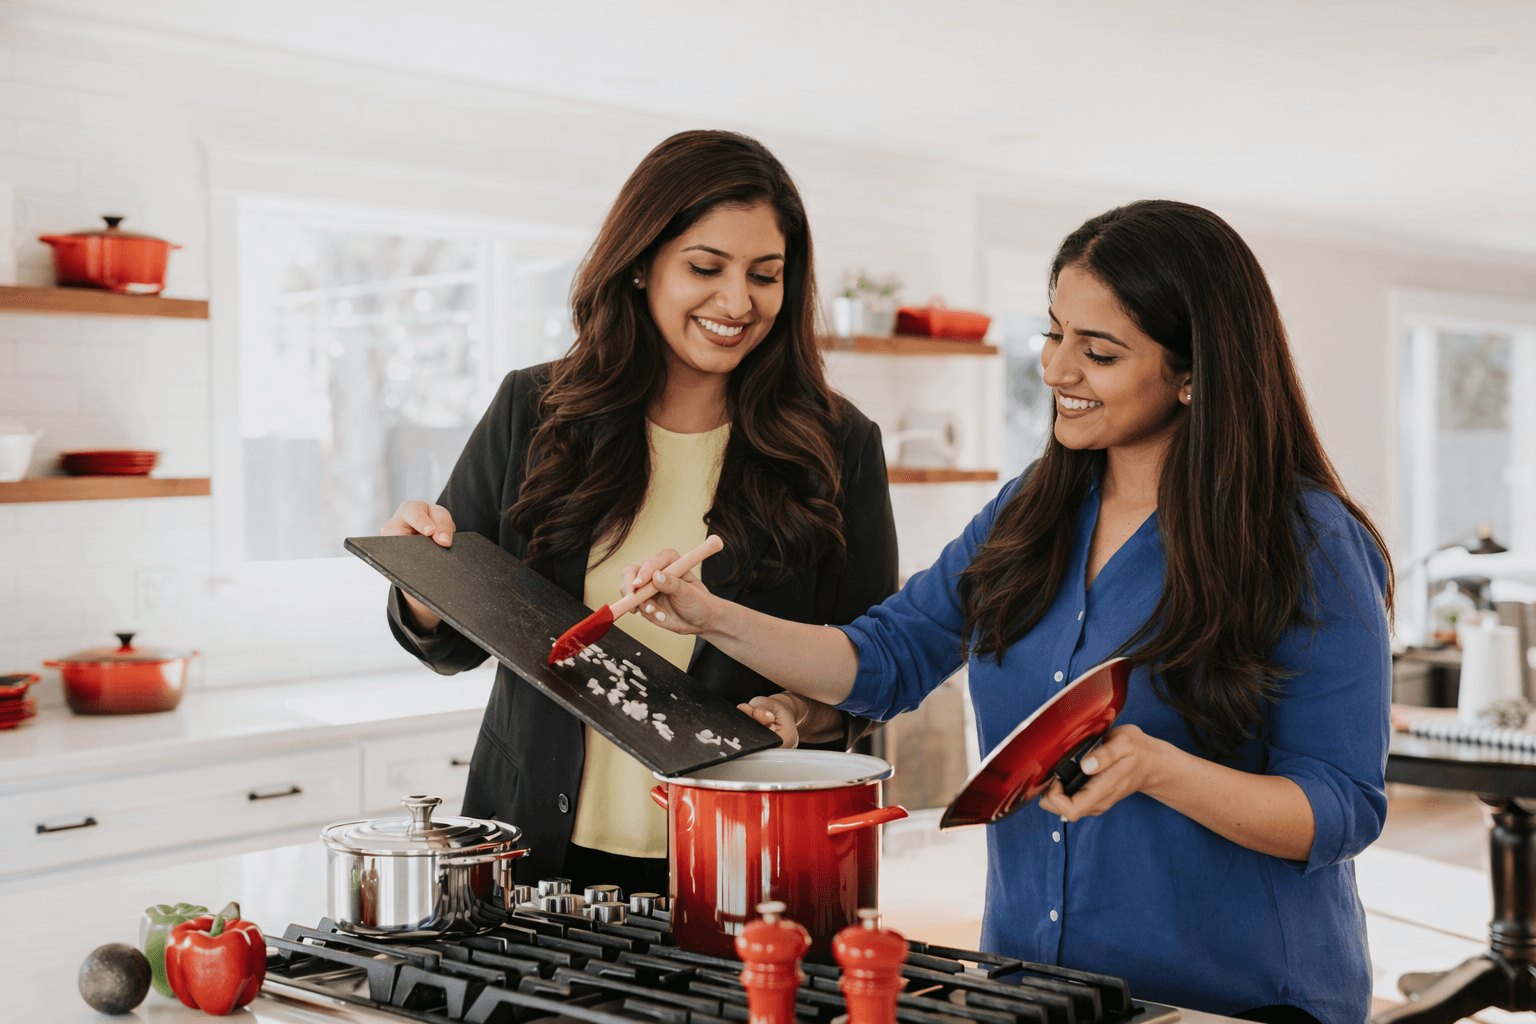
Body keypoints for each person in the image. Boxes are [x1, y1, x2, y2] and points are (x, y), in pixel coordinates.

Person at [625, 200, 1392, 1023]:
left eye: (1098, 352)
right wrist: (710, 615)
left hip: (1233, 1002)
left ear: (1193, 373)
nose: (1057, 370)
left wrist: (1161, 770)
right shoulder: (1031, 511)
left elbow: (1341, 808)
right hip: (1036, 992)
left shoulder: (1308, 541)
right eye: (1054, 334)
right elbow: (886, 660)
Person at [380, 130, 898, 898]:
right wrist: (422, 580)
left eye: (765, 274)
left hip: (744, 868)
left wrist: (794, 711)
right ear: (639, 262)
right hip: (532, 855)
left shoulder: (839, 445)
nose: (738, 302)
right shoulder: (534, 411)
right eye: (705, 267)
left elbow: (871, 674)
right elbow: (452, 645)